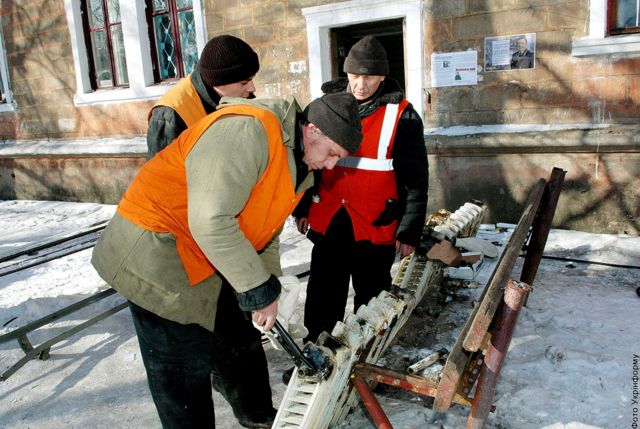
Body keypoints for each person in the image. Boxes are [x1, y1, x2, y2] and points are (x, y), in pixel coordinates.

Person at [91, 92, 362, 429]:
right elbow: (211, 220)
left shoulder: (299, 162)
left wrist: (272, 287)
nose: (333, 165)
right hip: (157, 254)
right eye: (334, 154)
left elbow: (267, 231)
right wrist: (258, 290)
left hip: (210, 253)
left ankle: (258, 416)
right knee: (183, 373)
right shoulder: (249, 131)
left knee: (239, 344)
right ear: (312, 130)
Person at [291, 35, 428, 377]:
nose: (361, 84)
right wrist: (303, 207)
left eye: (369, 76)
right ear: (345, 73)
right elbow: (307, 162)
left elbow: (415, 178)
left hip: (375, 222)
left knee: (371, 296)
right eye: (354, 75)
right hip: (330, 218)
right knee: (323, 293)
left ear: (383, 77)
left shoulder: (404, 116)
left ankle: (366, 361)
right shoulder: (325, 106)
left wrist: (409, 228)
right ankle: (317, 353)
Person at [146, 34, 259, 157]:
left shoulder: (239, 96)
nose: (252, 88)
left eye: (252, 79)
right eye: (244, 82)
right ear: (218, 82)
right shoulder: (169, 116)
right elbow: (163, 174)